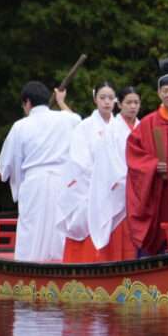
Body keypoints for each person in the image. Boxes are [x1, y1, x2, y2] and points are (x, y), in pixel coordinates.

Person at [0, 80, 81, 262]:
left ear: (27, 103)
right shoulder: (65, 119)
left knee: (32, 226)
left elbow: (6, 166)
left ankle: (28, 266)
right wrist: (61, 102)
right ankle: (61, 264)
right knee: (59, 225)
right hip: (61, 182)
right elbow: (77, 121)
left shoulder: (20, 126)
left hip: (35, 182)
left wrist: (12, 178)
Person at [125, 59, 168, 255]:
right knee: (156, 240)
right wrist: (152, 166)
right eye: (165, 91)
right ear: (159, 93)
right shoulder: (148, 123)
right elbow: (133, 154)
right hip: (157, 193)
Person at [58, 82, 118, 262]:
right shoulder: (84, 127)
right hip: (89, 186)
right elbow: (79, 160)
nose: (106, 102)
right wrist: (99, 180)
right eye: (102, 98)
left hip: (115, 187)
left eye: (110, 98)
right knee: (87, 221)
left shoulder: (119, 126)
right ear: (95, 99)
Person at [86, 86, 141, 261]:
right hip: (120, 188)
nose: (133, 106)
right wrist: (128, 178)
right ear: (120, 104)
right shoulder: (112, 129)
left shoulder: (143, 127)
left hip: (140, 187)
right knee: (119, 232)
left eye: (136, 102)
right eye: (129, 102)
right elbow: (109, 162)